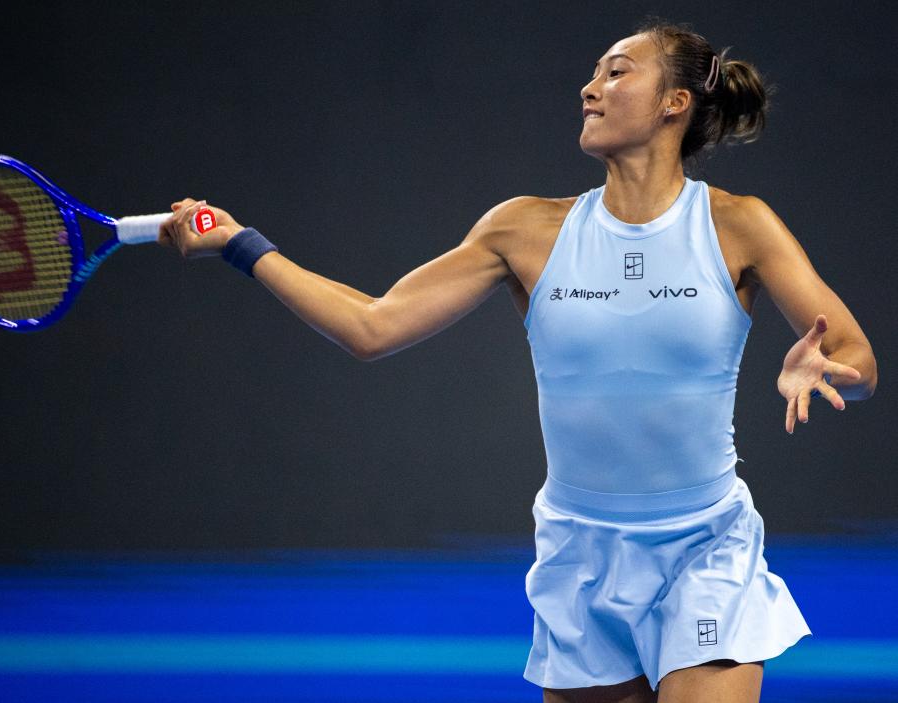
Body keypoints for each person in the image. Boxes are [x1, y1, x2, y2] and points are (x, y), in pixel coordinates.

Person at [158, 19, 878, 703]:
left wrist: (825, 367)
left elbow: (858, 358)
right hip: (579, 554)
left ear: (674, 102)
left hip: (706, 546)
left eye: (616, 72)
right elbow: (370, 326)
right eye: (593, 74)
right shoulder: (523, 229)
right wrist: (239, 243)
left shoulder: (739, 223)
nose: (589, 88)